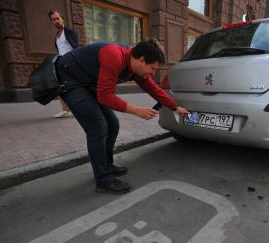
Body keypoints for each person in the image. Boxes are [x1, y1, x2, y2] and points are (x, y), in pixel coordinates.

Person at [55, 38, 189, 194]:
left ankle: (106, 165)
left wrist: (175, 107)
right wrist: (136, 110)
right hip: (71, 81)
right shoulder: (114, 56)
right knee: (98, 128)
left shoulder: (135, 67)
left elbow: (154, 89)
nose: (152, 73)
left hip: (89, 84)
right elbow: (105, 96)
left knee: (112, 124)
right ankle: (103, 180)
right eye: (152, 69)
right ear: (142, 60)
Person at [48, 9, 78, 118]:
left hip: (71, 63)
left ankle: (81, 107)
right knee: (59, 86)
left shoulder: (69, 31)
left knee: (74, 85)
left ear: (62, 19)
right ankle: (66, 110)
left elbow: (76, 47)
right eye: (53, 19)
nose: (56, 21)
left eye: (57, 18)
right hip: (61, 64)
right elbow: (60, 50)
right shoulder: (57, 35)